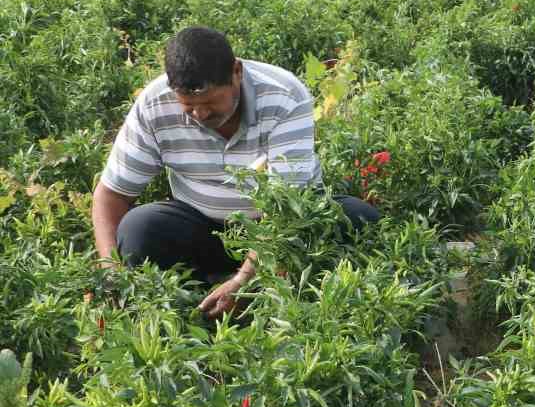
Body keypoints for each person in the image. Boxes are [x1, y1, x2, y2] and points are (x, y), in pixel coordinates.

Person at [91, 27, 379, 317]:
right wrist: (113, 273)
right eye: (189, 106)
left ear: (236, 72)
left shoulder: (283, 96)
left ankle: (288, 296)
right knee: (139, 228)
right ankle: (191, 302)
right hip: (204, 230)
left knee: (356, 219)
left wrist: (244, 281)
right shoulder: (155, 104)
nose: (200, 115)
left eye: (210, 103)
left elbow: (288, 212)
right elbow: (110, 195)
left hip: (286, 232)